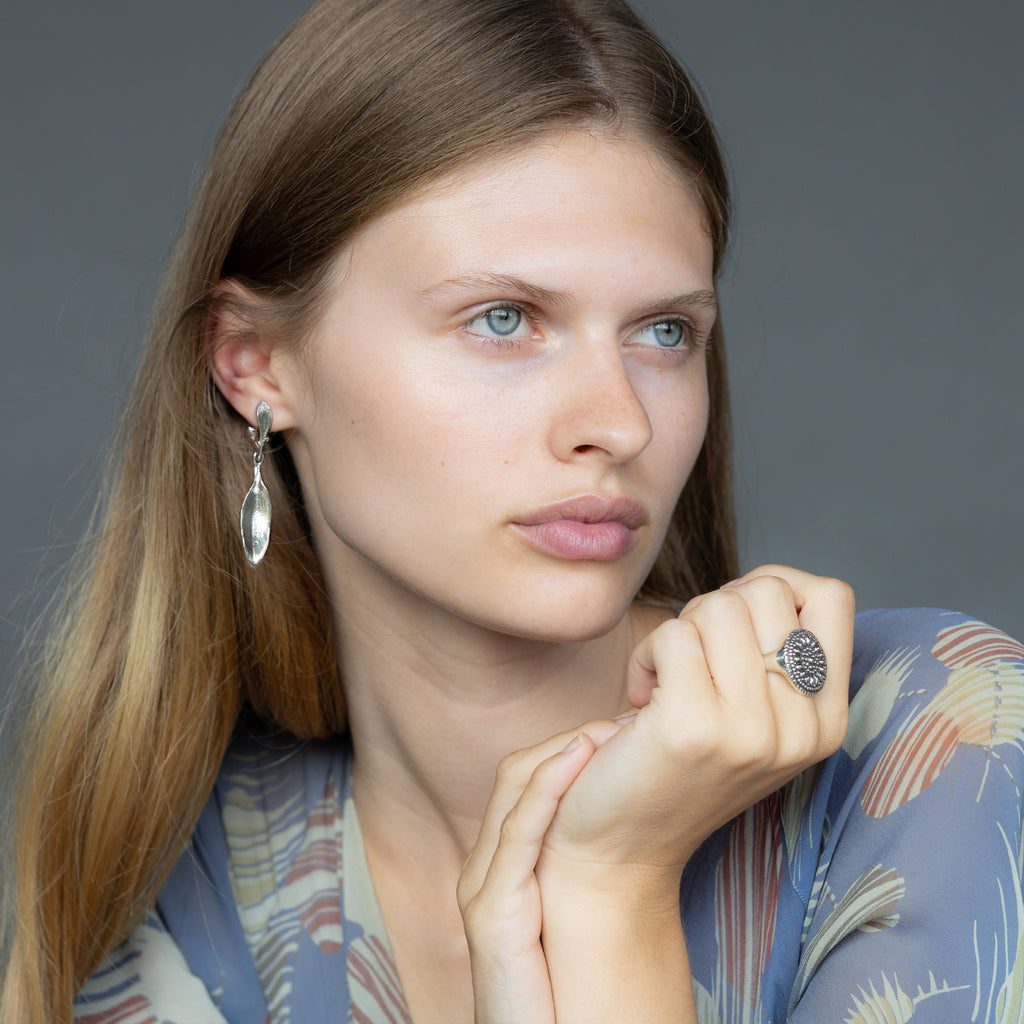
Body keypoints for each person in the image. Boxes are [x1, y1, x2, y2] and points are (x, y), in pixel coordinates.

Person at [2, 0, 1021, 1021]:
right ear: (257, 365)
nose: (617, 421)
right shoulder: (177, 885)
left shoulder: (940, 759)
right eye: (503, 320)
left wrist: (607, 891)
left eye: (664, 332)